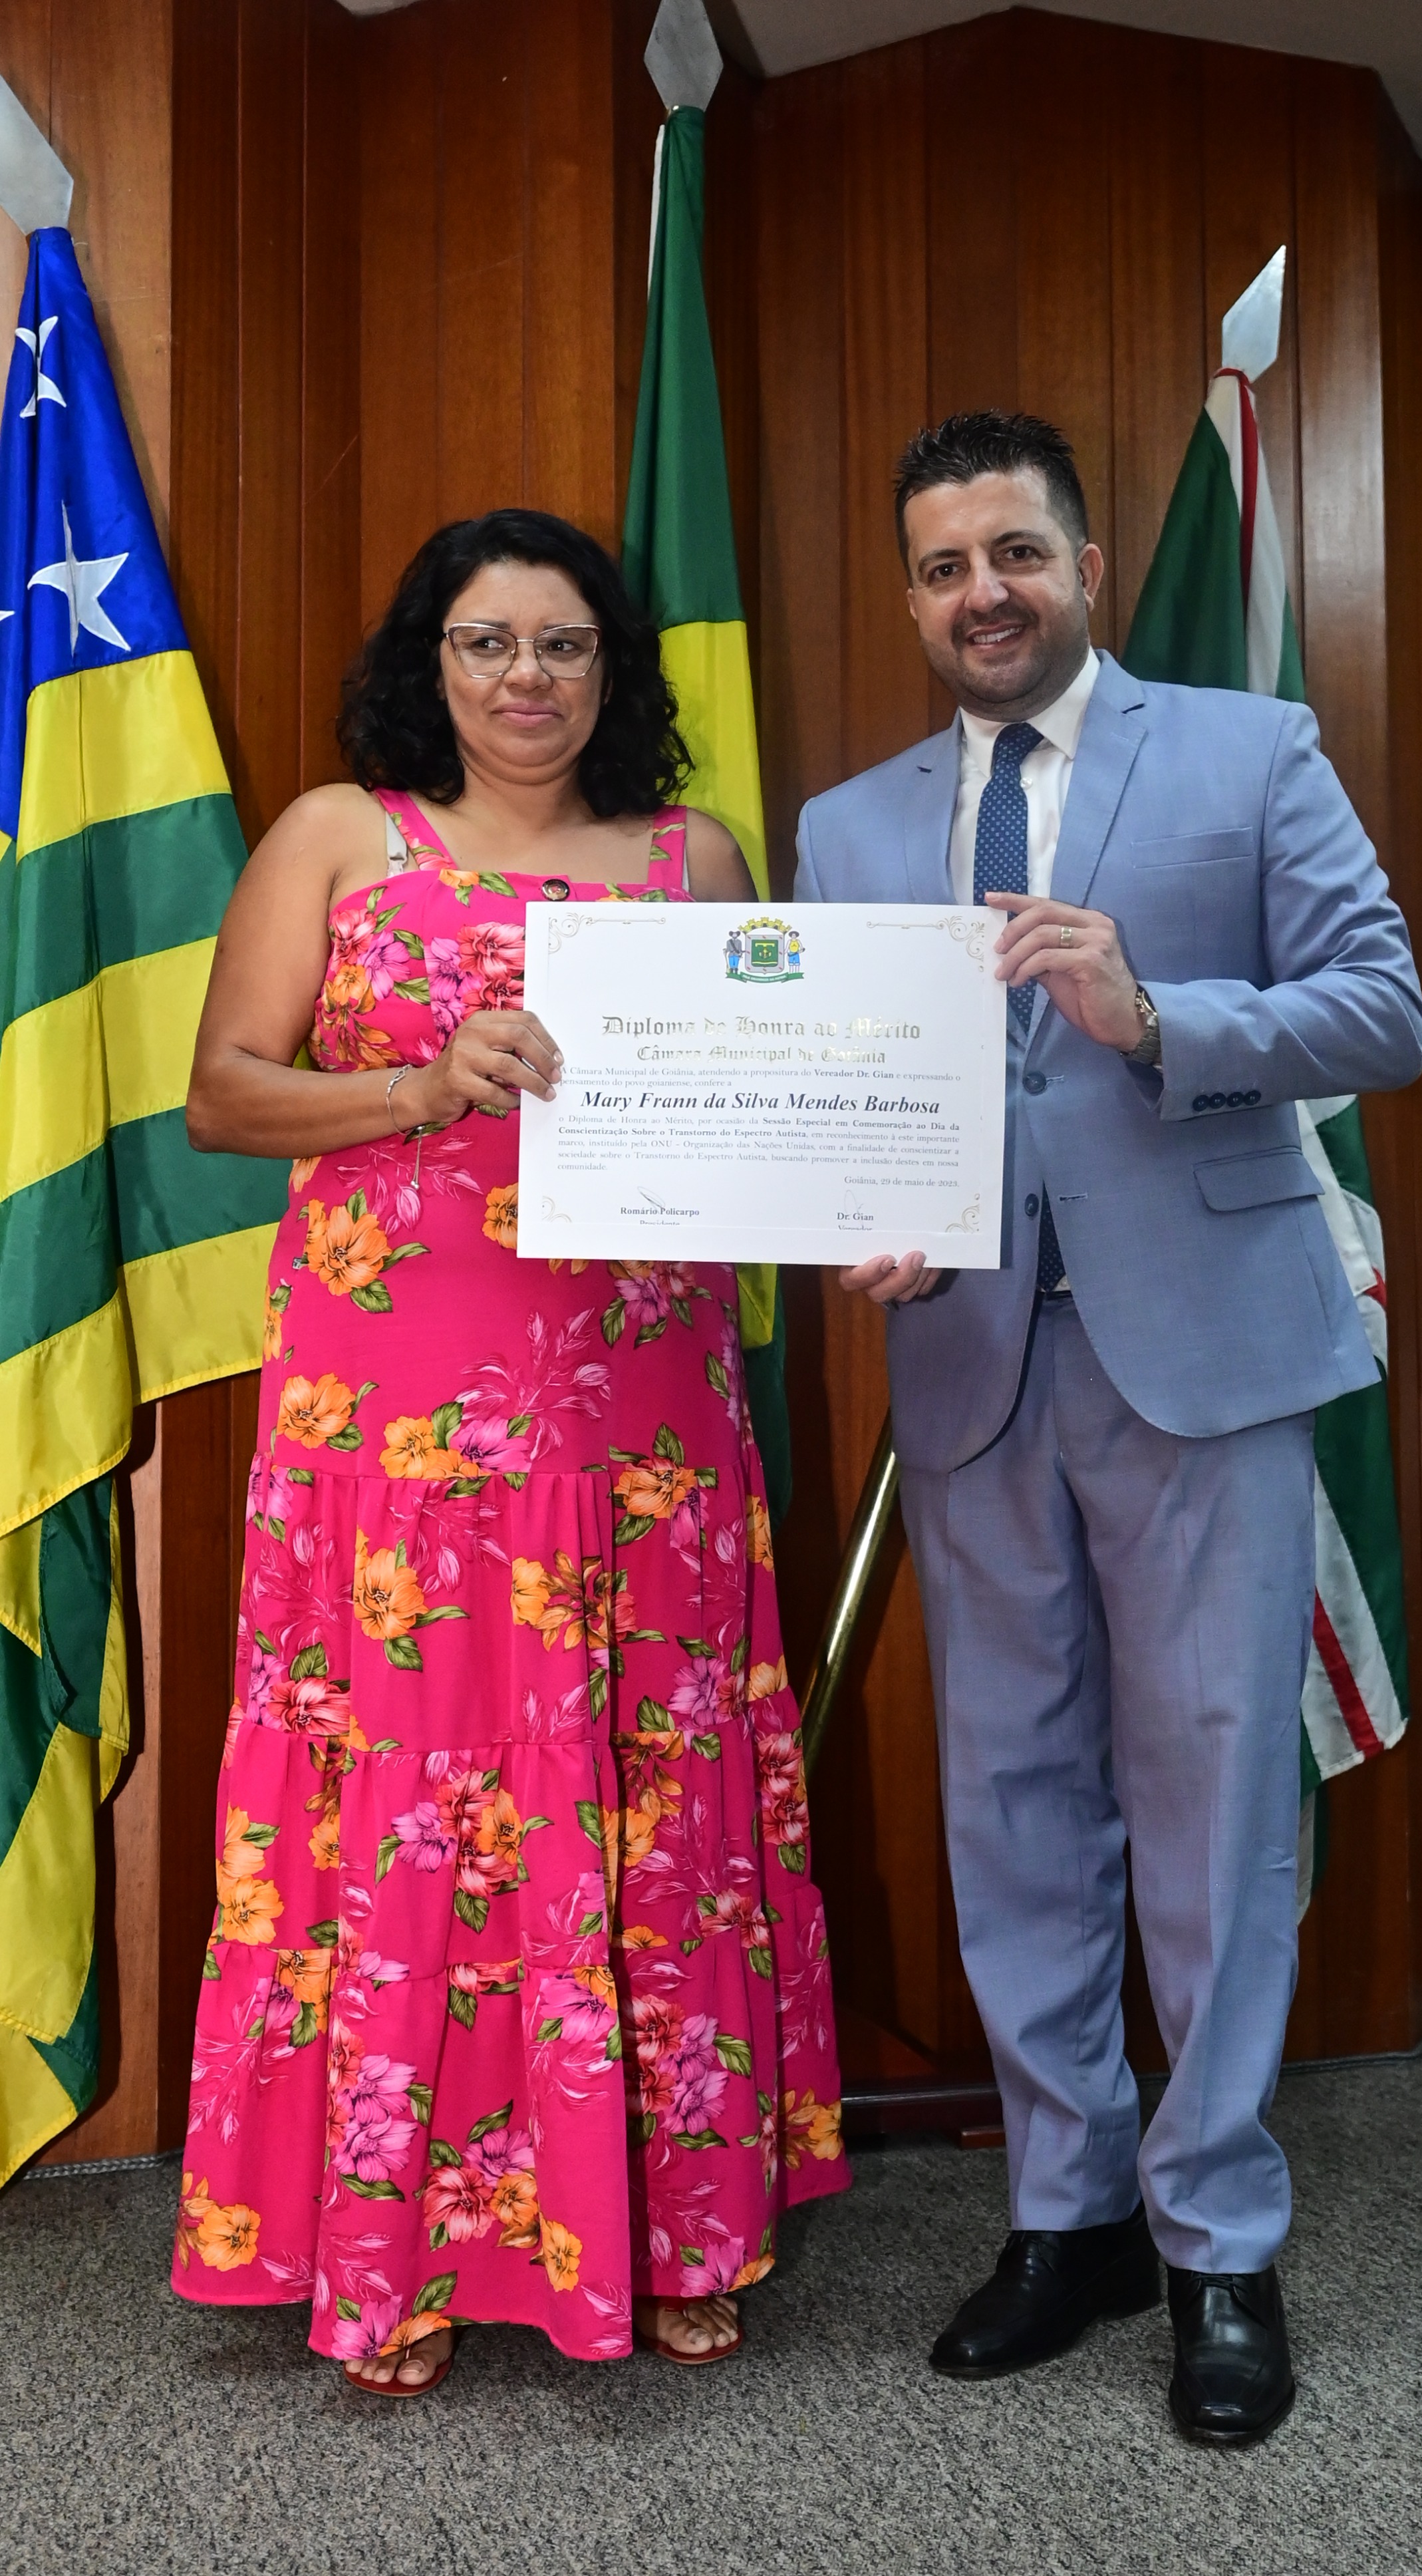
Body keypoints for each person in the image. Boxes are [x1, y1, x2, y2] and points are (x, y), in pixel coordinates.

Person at [793, 413, 1422, 2444]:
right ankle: (1066, 2216)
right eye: (942, 566)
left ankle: (1219, 2237)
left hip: (1208, 1359)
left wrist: (1159, 1018)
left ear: (1079, 566)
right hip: (971, 1371)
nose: (981, 593)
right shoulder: (848, 827)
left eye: (1014, 553)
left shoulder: (1249, 751)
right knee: (1013, 1800)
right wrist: (853, 1221)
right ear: (911, 600)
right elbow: (837, 1101)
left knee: (1218, 1803)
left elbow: (1386, 1008)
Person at [175, 508, 847, 2393]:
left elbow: (776, 1110)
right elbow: (222, 1096)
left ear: (612, 671)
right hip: (395, 1420)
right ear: (432, 661)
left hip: (642, 1418)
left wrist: (867, 1197)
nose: (526, 677)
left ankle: (674, 2226)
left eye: (563, 643)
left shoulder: (697, 860)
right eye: (487, 642)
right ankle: (386, 2248)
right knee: (413, 1793)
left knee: (653, 1797)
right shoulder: (339, 836)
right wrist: (417, 1085)